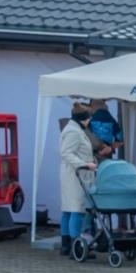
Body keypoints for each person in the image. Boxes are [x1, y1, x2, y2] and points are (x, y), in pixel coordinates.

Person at [57, 103, 97, 257]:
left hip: (73, 173)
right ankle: (77, 248)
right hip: (75, 174)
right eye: (89, 118)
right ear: (83, 119)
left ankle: (66, 246)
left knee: (68, 209)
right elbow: (66, 153)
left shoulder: (74, 129)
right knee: (77, 209)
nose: (90, 121)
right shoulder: (74, 132)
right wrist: (84, 164)